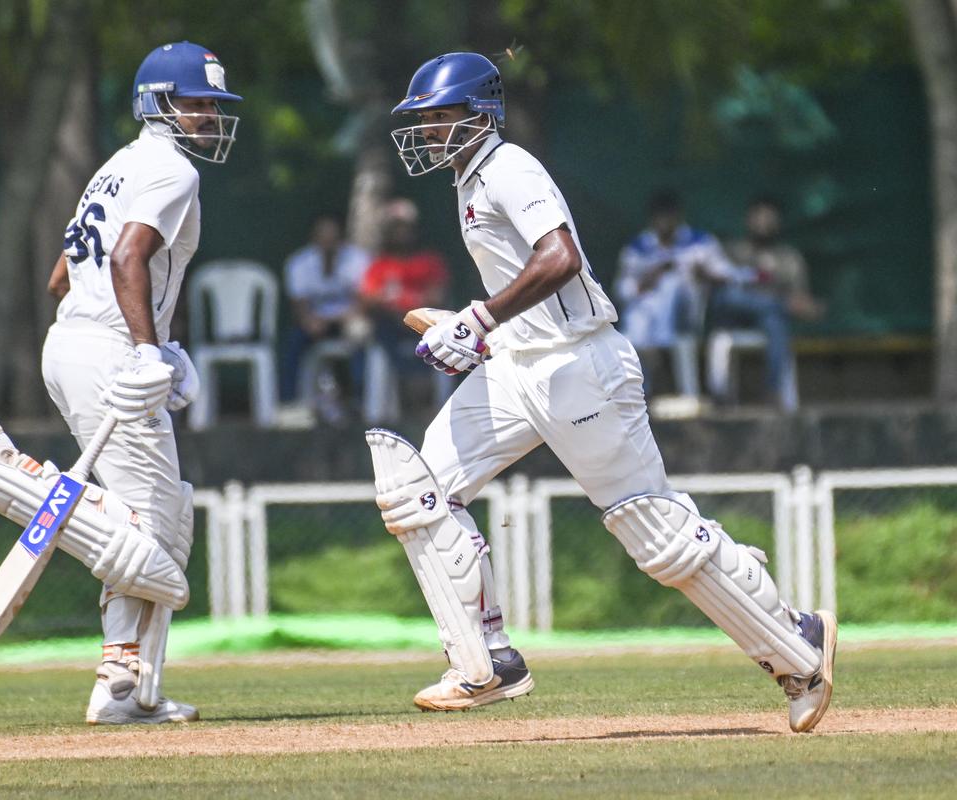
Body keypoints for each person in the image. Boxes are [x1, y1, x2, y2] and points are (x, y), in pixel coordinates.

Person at [374, 52, 836, 732]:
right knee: (416, 492)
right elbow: (524, 285)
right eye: (426, 119)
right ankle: (487, 663)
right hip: (519, 364)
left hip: (579, 367)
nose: (430, 131)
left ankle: (797, 641)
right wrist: (482, 330)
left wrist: (478, 319)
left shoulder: (509, 166)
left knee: (656, 536)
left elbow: (559, 259)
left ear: (481, 114)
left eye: (442, 117)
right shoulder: (469, 177)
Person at [0, 41, 241, 725]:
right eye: (198, 103)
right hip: (109, 353)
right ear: (158, 103)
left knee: (163, 519)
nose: (210, 115)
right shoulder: (170, 170)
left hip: (73, 343)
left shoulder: (115, 167)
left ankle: (124, 686)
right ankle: (2, 472)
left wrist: (155, 345)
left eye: (215, 104)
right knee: (158, 558)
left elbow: (60, 277)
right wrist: (148, 352)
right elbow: (129, 257)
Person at [615, 191, 742, 395]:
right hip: (645, 318)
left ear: (679, 216)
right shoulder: (639, 247)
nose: (665, 222)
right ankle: (646, 386)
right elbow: (622, 291)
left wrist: (704, 274)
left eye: (669, 216)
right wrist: (648, 279)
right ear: (652, 219)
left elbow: (729, 276)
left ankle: (662, 361)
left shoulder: (700, 242)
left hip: (690, 315)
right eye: (660, 216)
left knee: (673, 283)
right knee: (635, 329)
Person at [719, 196, 825, 410]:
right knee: (731, 297)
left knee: (776, 323)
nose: (763, 224)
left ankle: (773, 392)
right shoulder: (734, 251)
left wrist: (790, 303)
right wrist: (781, 301)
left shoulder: (789, 258)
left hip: (767, 320)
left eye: (769, 218)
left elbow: (799, 300)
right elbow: (723, 288)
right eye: (758, 217)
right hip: (733, 315)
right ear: (748, 220)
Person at [359, 198, 450, 402]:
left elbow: (437, 297)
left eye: (405, 228)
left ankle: (425, 395)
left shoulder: (429, 261)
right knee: (375, 335)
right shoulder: (380, 265)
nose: (401, 233)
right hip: (389, 327)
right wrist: (390, 303)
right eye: (395, 228)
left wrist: (404, 304)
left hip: (423, 324)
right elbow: (367, 300)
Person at [280, 213, 370, 409]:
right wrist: (309, 321)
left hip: (348, 321)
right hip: (315, 324)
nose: (328, 244)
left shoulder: (357, 259)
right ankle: (290, 403)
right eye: (323, 238)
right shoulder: (299, 263)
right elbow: (299, 305)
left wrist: (343, 317)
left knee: (361, 335)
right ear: (314, 238)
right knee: (294, 341)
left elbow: (362, 301)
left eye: (333, 238)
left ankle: (359, 400)